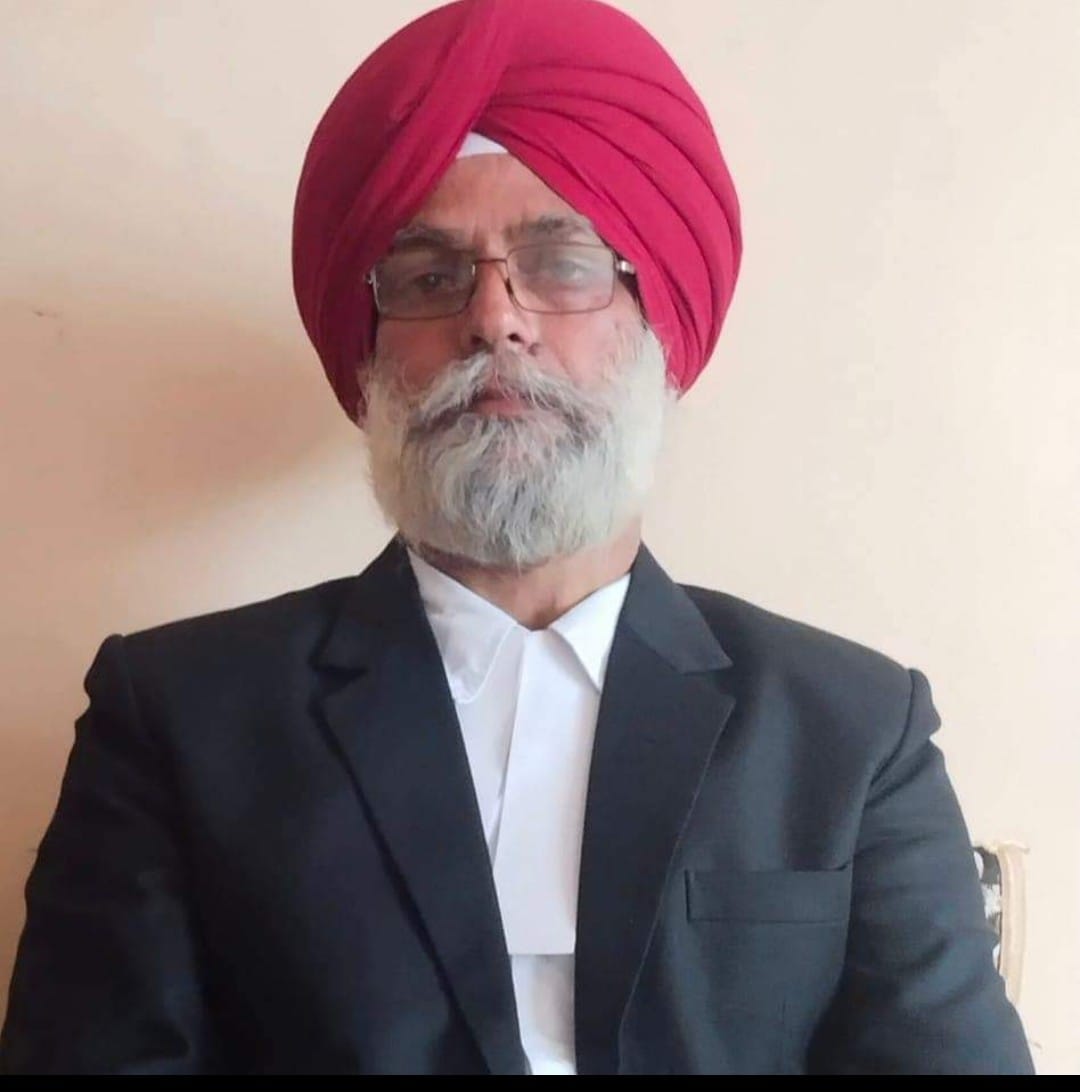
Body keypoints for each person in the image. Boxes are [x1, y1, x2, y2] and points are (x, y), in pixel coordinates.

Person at [0, 0, 1034, 1075]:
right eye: (429, 277)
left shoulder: (850, 731)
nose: (494, 318)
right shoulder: (179, 716)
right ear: (370, 355)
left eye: (561, 262)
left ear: (658, 324)